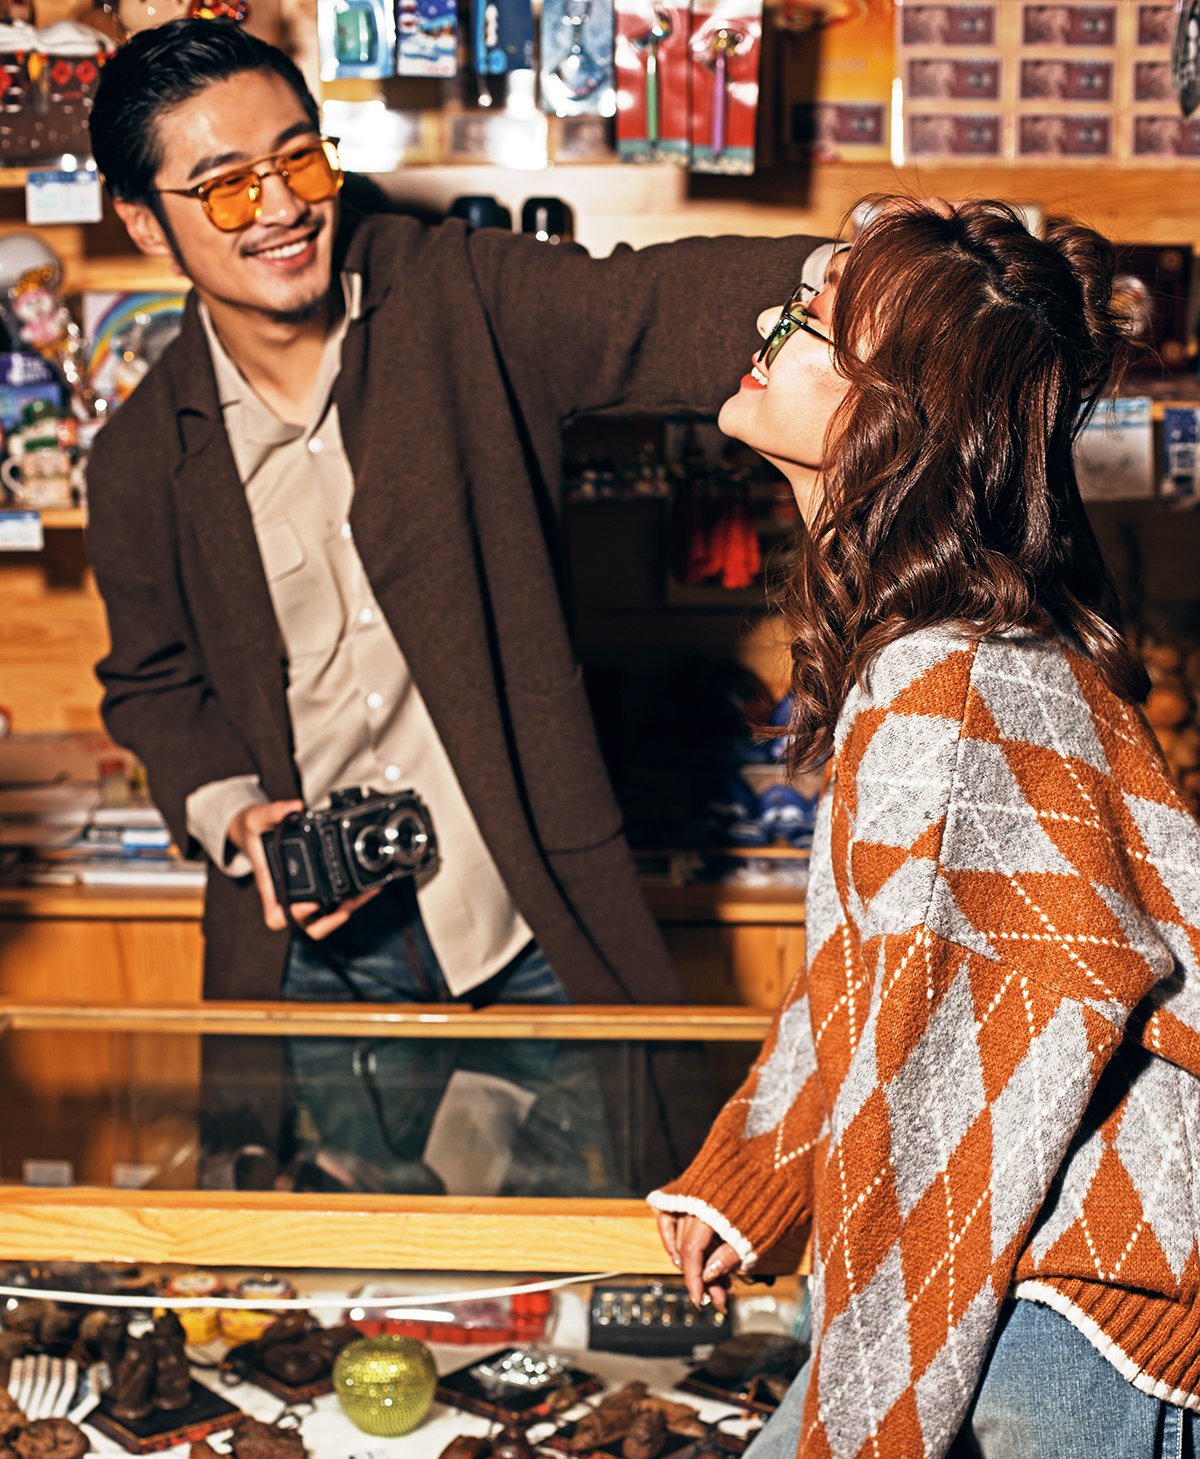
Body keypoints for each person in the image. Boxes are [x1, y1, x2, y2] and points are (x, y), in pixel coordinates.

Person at [584, 199, 1200, 1459]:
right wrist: (758, 1173)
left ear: (892, 418)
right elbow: (883, 983)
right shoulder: (940, 649)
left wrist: (863, 1457)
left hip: (1095, 1307)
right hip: (989, 1278)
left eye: (814, 322)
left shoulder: (952, 680)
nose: (771, 327)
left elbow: (949, 1126)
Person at [83, 19, 824, 1186]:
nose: (282, 207)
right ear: (141, 220)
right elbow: (152, 681)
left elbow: (645, 306)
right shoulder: (136, 462)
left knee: (603, 1248)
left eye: (299, 158)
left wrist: (859, 271)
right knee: (346, 1264)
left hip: (526, 908)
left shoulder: (452, 294)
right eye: (225, 187)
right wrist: (237, 817)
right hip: (325, 956)